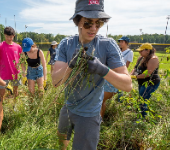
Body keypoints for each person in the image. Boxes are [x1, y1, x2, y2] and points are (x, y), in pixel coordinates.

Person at [51, 0, 132, 149]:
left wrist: (103, 70)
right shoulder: (66, 44)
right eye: (88, 23)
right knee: (60, 144)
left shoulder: (107, 45)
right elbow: (56, 82)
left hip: (90, 115)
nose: (94, 28)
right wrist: (71, 65)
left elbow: (127, 85)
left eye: (98, 23)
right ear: (78, 22)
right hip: (68, 108)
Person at [100, 36, 134, 118]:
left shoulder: (129, 52)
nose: (120, 43)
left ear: (126, 42)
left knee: (102, 100)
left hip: (117, 74)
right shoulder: (118, 50)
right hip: (109, 74)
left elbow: (126, 66)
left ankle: (100, 120)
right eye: (119, 42)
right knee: (100, 100)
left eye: (122, 42)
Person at [0, 26, 23, 102]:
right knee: (1, 92)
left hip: (16, 73)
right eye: (7, 36)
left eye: (11, 37)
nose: (9, 38)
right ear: (4, 35)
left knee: (16, 91)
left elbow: (22, 60)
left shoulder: (18, 47)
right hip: (4, 74)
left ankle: (15, 105)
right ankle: (1, 107)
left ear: (14, 35)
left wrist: (23, 72)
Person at [130, 43, 160, 118]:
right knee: (141, 99)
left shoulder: (153, 59)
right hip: (142, 82)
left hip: (150, 83)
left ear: (148, 51)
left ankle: (143, 119)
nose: (139, 52)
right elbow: (135, 68)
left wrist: (134, 77)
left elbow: (148, 74)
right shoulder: (141, 58)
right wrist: (130, 75)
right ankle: (141, 115)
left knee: (143, 100)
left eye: (141, 51)